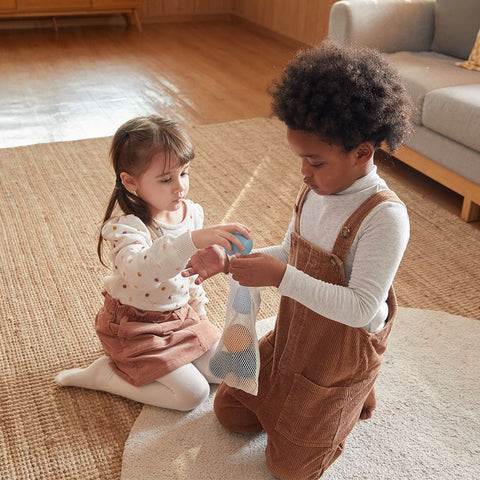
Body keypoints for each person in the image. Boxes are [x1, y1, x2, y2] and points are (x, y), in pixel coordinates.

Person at [183, 40, 413, 479]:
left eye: (315, 161)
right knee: (229, 413)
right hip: (294, 338)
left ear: (362, 152)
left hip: (339, 355)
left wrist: (281, 277)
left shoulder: (385, 217)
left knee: (290, 470)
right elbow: (291, 254)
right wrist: (230, 261)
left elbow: (363, 307)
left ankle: (355, 389)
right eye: (301, 159)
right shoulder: (315, 189)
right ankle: (317, 400)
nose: (304, 173)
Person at [55, 115, 250, 411]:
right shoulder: (127, 228)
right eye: (166, 179)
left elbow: (189, 275)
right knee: (191, 395)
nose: (180, 187)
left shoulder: (191, 213)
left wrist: (199, 316)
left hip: (180, 319)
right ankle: (106, 375)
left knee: (225, 369)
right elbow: (142, 273)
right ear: (130, 182)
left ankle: (175, 358)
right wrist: (191, 241)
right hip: (136, 328)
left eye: (184, 173)